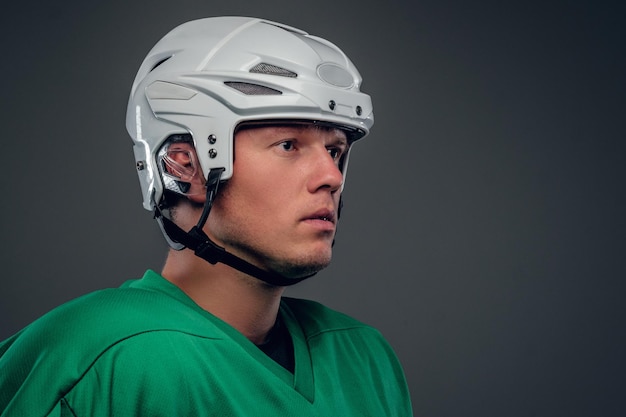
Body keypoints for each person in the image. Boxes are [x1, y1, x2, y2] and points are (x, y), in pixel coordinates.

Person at [0, 16, 412, 416]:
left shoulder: (365, 358)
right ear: (185, 169)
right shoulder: (97, 357)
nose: (331, 177)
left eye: (335, 151)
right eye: (288, 145)